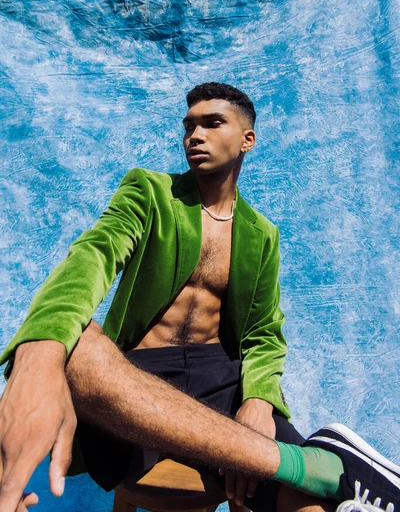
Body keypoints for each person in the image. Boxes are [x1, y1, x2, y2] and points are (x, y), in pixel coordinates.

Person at [0, 83, 398, 512]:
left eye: (212, 123)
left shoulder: (261, 234)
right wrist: (41, 349)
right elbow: (93, 256)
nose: (195, 134)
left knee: (307, 502)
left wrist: (258, 399)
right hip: (135, 376)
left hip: (219, 379)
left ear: (248, 139)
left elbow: (264, 333)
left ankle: (320, 485)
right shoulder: (149, 192)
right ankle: (305, 464)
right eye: (189, 126)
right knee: (79, 347)